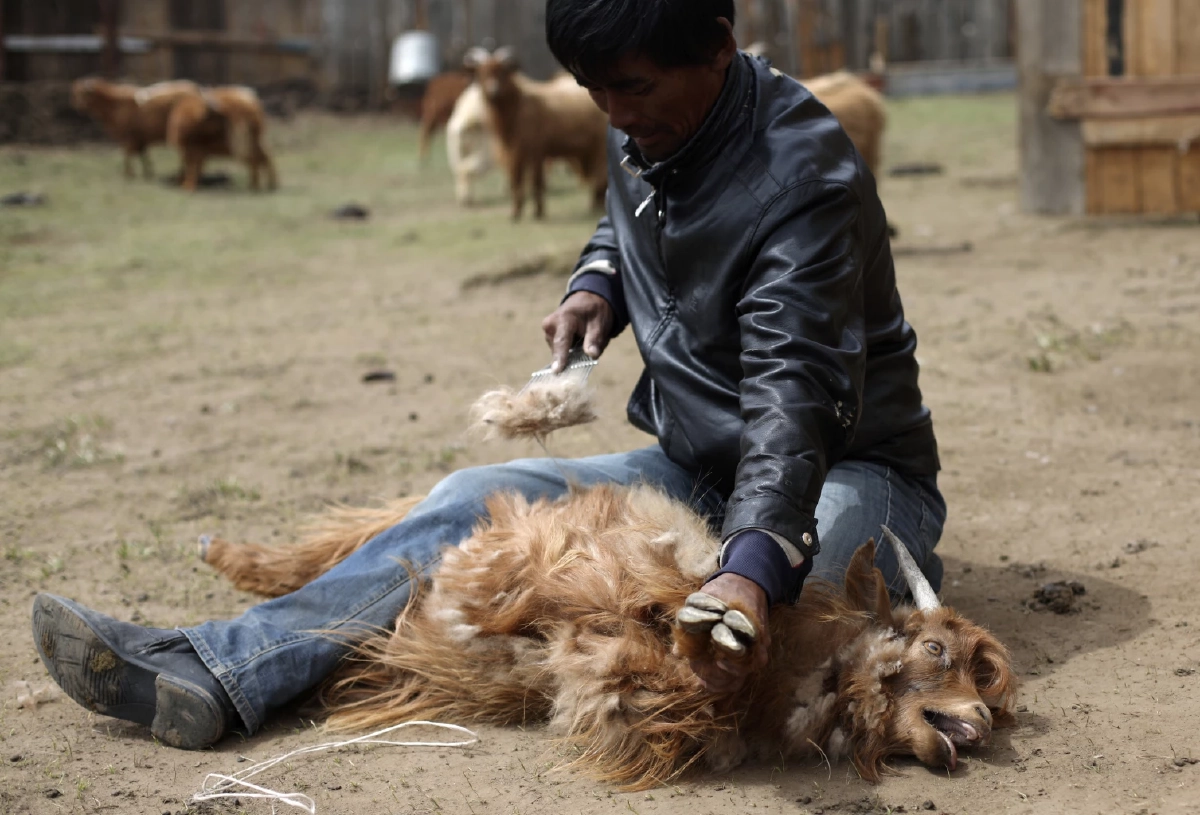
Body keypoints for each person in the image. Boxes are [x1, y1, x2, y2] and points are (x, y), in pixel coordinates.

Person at [31, 0, 944, 750]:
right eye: (594, 92)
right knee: (477, 496)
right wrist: (598, 285)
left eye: (631, 87)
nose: (615, 114)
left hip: (845, 467)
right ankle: (223, 667)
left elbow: (796, 385)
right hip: (700, 459)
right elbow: (631, 216)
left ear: (717, 45)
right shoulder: (655, 122)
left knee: (794, 615)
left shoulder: (804, 175)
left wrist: (749, 568)